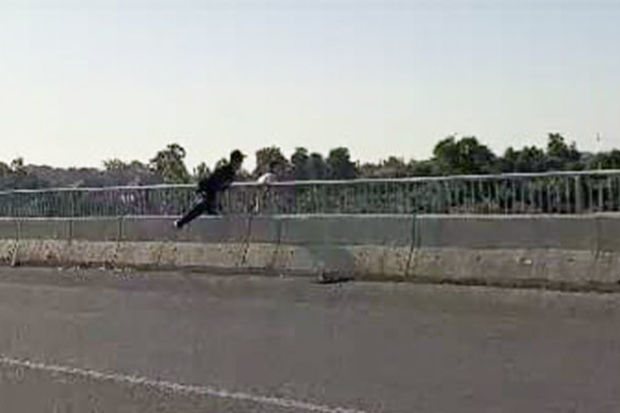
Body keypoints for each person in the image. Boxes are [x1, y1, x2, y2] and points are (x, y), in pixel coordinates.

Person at [174, 149, 245, 229]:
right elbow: (213, 183)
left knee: (204, 209)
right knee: (201, 208)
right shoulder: (224, 171)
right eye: (240, 161)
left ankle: (181, 222)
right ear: (234, 161)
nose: (241, 164)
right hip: (208, 192)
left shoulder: (232, 174)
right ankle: (181, 223)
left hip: (213, 196)